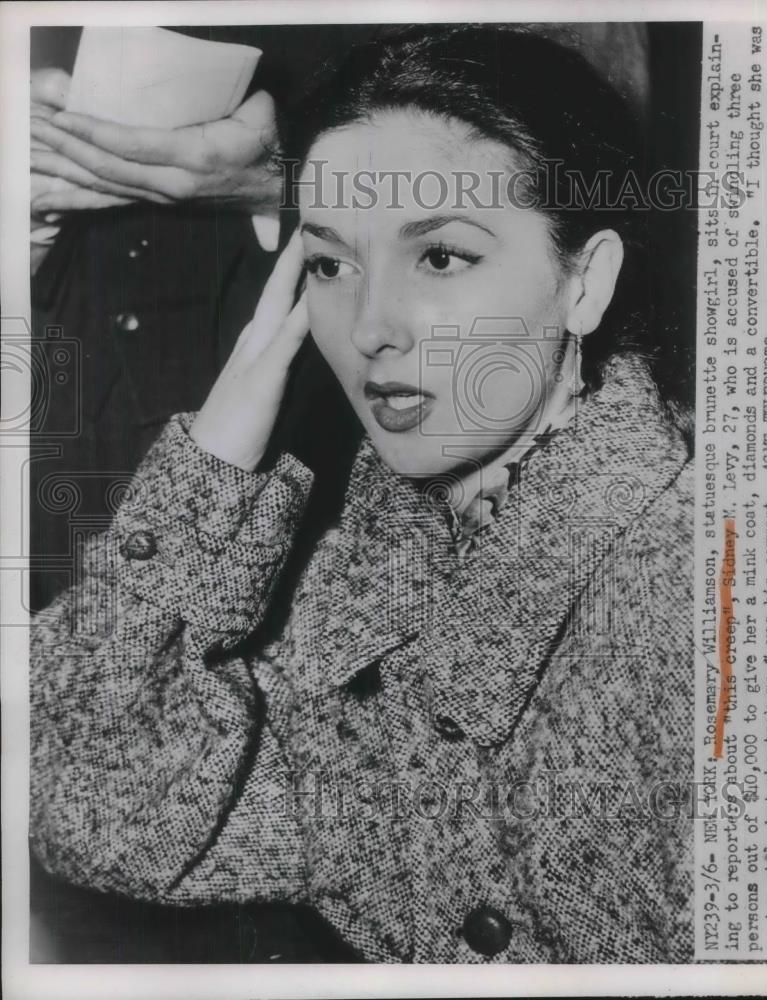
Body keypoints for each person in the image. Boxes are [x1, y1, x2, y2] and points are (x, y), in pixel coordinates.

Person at [30, 25, 695, 963]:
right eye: (333, 266)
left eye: (442, 258)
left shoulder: (697, 592)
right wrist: (216, 453)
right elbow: (79, 796)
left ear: (585, 283)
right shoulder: (374, 567)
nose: (372, 327)